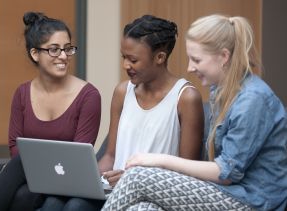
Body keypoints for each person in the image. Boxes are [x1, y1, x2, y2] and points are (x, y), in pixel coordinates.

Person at [102, 14, 287, 211]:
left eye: (196, 59)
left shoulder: (253, 100)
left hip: (250, 201)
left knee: (136, 176)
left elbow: (226, 174)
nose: (189, 68)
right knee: (142, 209)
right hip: (226, 192)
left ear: (224, 57)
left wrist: (157, 160)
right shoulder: (221, 91)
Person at [0, 12, 101, 211]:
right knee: (23, 194)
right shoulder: (22, 93)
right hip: (32, 177)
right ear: (35, 53)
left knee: (21, 172)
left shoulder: (89, 96)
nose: (63, 56)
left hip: (69, 179)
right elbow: (15, 145)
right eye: (54, 50)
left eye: (67, 49)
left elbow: (79, 155)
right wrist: (38, 174)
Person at [97, 14, 204, 188]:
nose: (125, 65)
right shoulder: (122, 92)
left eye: (133, 60)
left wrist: (132, 179)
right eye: (123, 57)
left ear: (160, 57)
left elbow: (187, 173)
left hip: (155, 194)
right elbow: (110, 156)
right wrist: (87, 181)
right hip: (113, 191)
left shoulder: (186, 98)